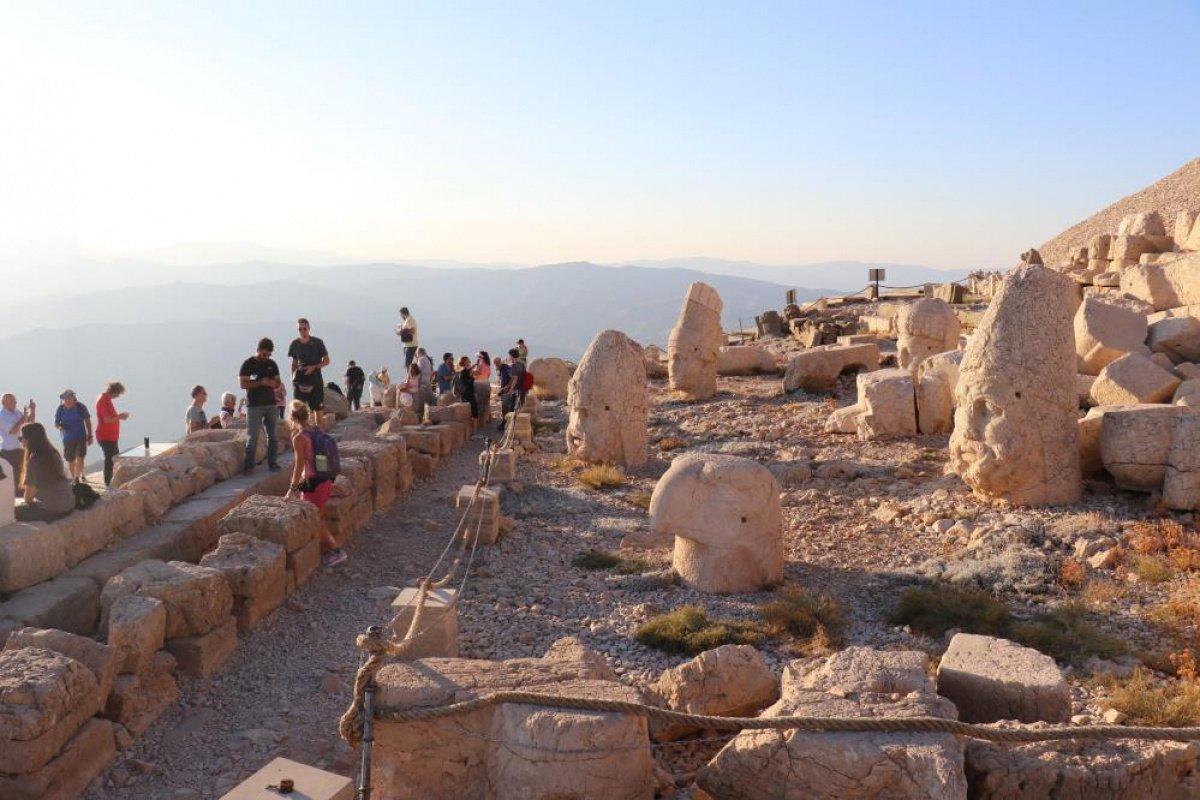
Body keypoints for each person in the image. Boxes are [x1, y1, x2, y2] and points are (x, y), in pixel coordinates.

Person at [286, 400, 347, 567]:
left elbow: (299, 467)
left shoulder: (299, 437)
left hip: (313, 484)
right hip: (324, 479)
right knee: (316, 516)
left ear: (291, 417)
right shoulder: (317, 430)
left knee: (315, 519)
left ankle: (336, 551)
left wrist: (292, 489)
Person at [238, 337, 282, 475]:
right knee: (253, 436)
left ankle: (272, 463)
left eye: (268, 355)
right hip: (254, 405)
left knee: (273, 435)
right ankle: (249, 466)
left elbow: (278, 382)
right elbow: (243, 384)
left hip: (270, 404)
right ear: (258, 350)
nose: (266, 357)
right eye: (264, 354)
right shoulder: (248, 364)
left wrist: (271, 384)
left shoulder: (272, 364)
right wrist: (260, 382)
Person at [16, 422, 74, 522]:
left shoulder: (34, 461)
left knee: (13, 513)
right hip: (69, 504)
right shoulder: (54, 454)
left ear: (29, 440)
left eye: (21, 438)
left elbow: (29, 496)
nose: (20, 441)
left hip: (54, 510)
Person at [288, 317, 330, 426]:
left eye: (304, 328)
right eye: (300, 329)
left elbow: (326, 361)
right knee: (297, 413)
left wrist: (314, 367)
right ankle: (300, 439)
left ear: (309, 328)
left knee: (318, 413)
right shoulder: (295, 344)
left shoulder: (317, 342)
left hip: (315, 380)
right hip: (300, 380)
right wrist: (293, 378)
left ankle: (319, 439)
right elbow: (294, 363)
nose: (302, 331)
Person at [94, 381, 128, 486]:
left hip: (111, 436)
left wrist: (118, 416)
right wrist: (120, 416)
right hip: (105, 436)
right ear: (114, 392)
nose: (118, 396)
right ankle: (108, 483)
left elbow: (109, 416)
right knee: (110, 460)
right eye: (118, 394)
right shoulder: (103, 401)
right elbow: (106, 420)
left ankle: (113, 481)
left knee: (113, 459)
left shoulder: (106, 399)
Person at [54, 390, 92, 483]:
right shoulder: (60, 409)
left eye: (68, 398)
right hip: (68, 439)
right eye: (65, 398)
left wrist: (90, 435)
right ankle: (75, 477)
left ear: (73, 397)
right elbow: (56, 423)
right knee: (70, 460)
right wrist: (61, 426)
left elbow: (87, 421)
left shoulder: (80, 407)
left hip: (81, 436)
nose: (66, 400)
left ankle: (76, 478)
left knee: (80, 457)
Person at [0, 394, 35, 493]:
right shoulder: (1, 415)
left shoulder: (17, 413)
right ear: (4, 403)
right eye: (12, 402)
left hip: (20, 449)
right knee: (11, 477)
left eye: (15, 401)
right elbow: (13, 430)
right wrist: (23, 417)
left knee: (22, 474)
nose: (15, 404)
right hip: (8, 451)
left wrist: (32, 410)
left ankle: (20, 494)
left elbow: (30, 423)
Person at [499, 348, 527, 429]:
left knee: (513, 409)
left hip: (517, 390)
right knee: (518, 408)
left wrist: (511, 389)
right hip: (523, 389)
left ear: (511, 355)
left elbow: (515, 378)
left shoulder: (515, 365)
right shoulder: (522, 364)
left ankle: (511, 428)